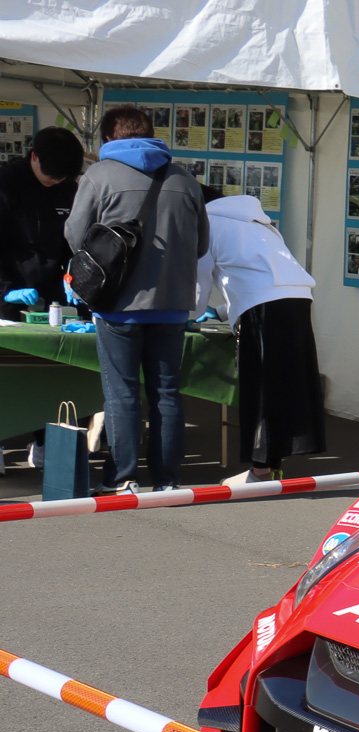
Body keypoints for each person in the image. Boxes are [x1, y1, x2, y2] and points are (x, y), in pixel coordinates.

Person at [64, 105, 208, 494]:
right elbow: (202, 245)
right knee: (166, 391)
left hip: (118, 304)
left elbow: (75, 236)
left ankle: (123, 477)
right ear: (150, 133)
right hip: (174, 303)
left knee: (122, 391)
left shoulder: (98, 176)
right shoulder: (185, 180)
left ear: (109, 138)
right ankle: (167, 479)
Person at [195, 192, 323, 483]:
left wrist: (187, 313)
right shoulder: (259, 222)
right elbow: (265, 276)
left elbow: (198, 283)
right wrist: (221, 311)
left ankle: (260, 472)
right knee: (284, 385)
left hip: (265, 309)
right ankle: (271, 466)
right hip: (298, 300)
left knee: (261, 387)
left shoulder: (207, 223)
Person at [0, 126, 84, 319]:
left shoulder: (68, 189)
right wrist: (5, 290)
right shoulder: (6, 184)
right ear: (35, 157)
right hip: (10, 293)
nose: (55, 182)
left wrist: (74, 277)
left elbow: (73, 240)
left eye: (61, 179)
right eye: (50, 178)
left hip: (53, 295)